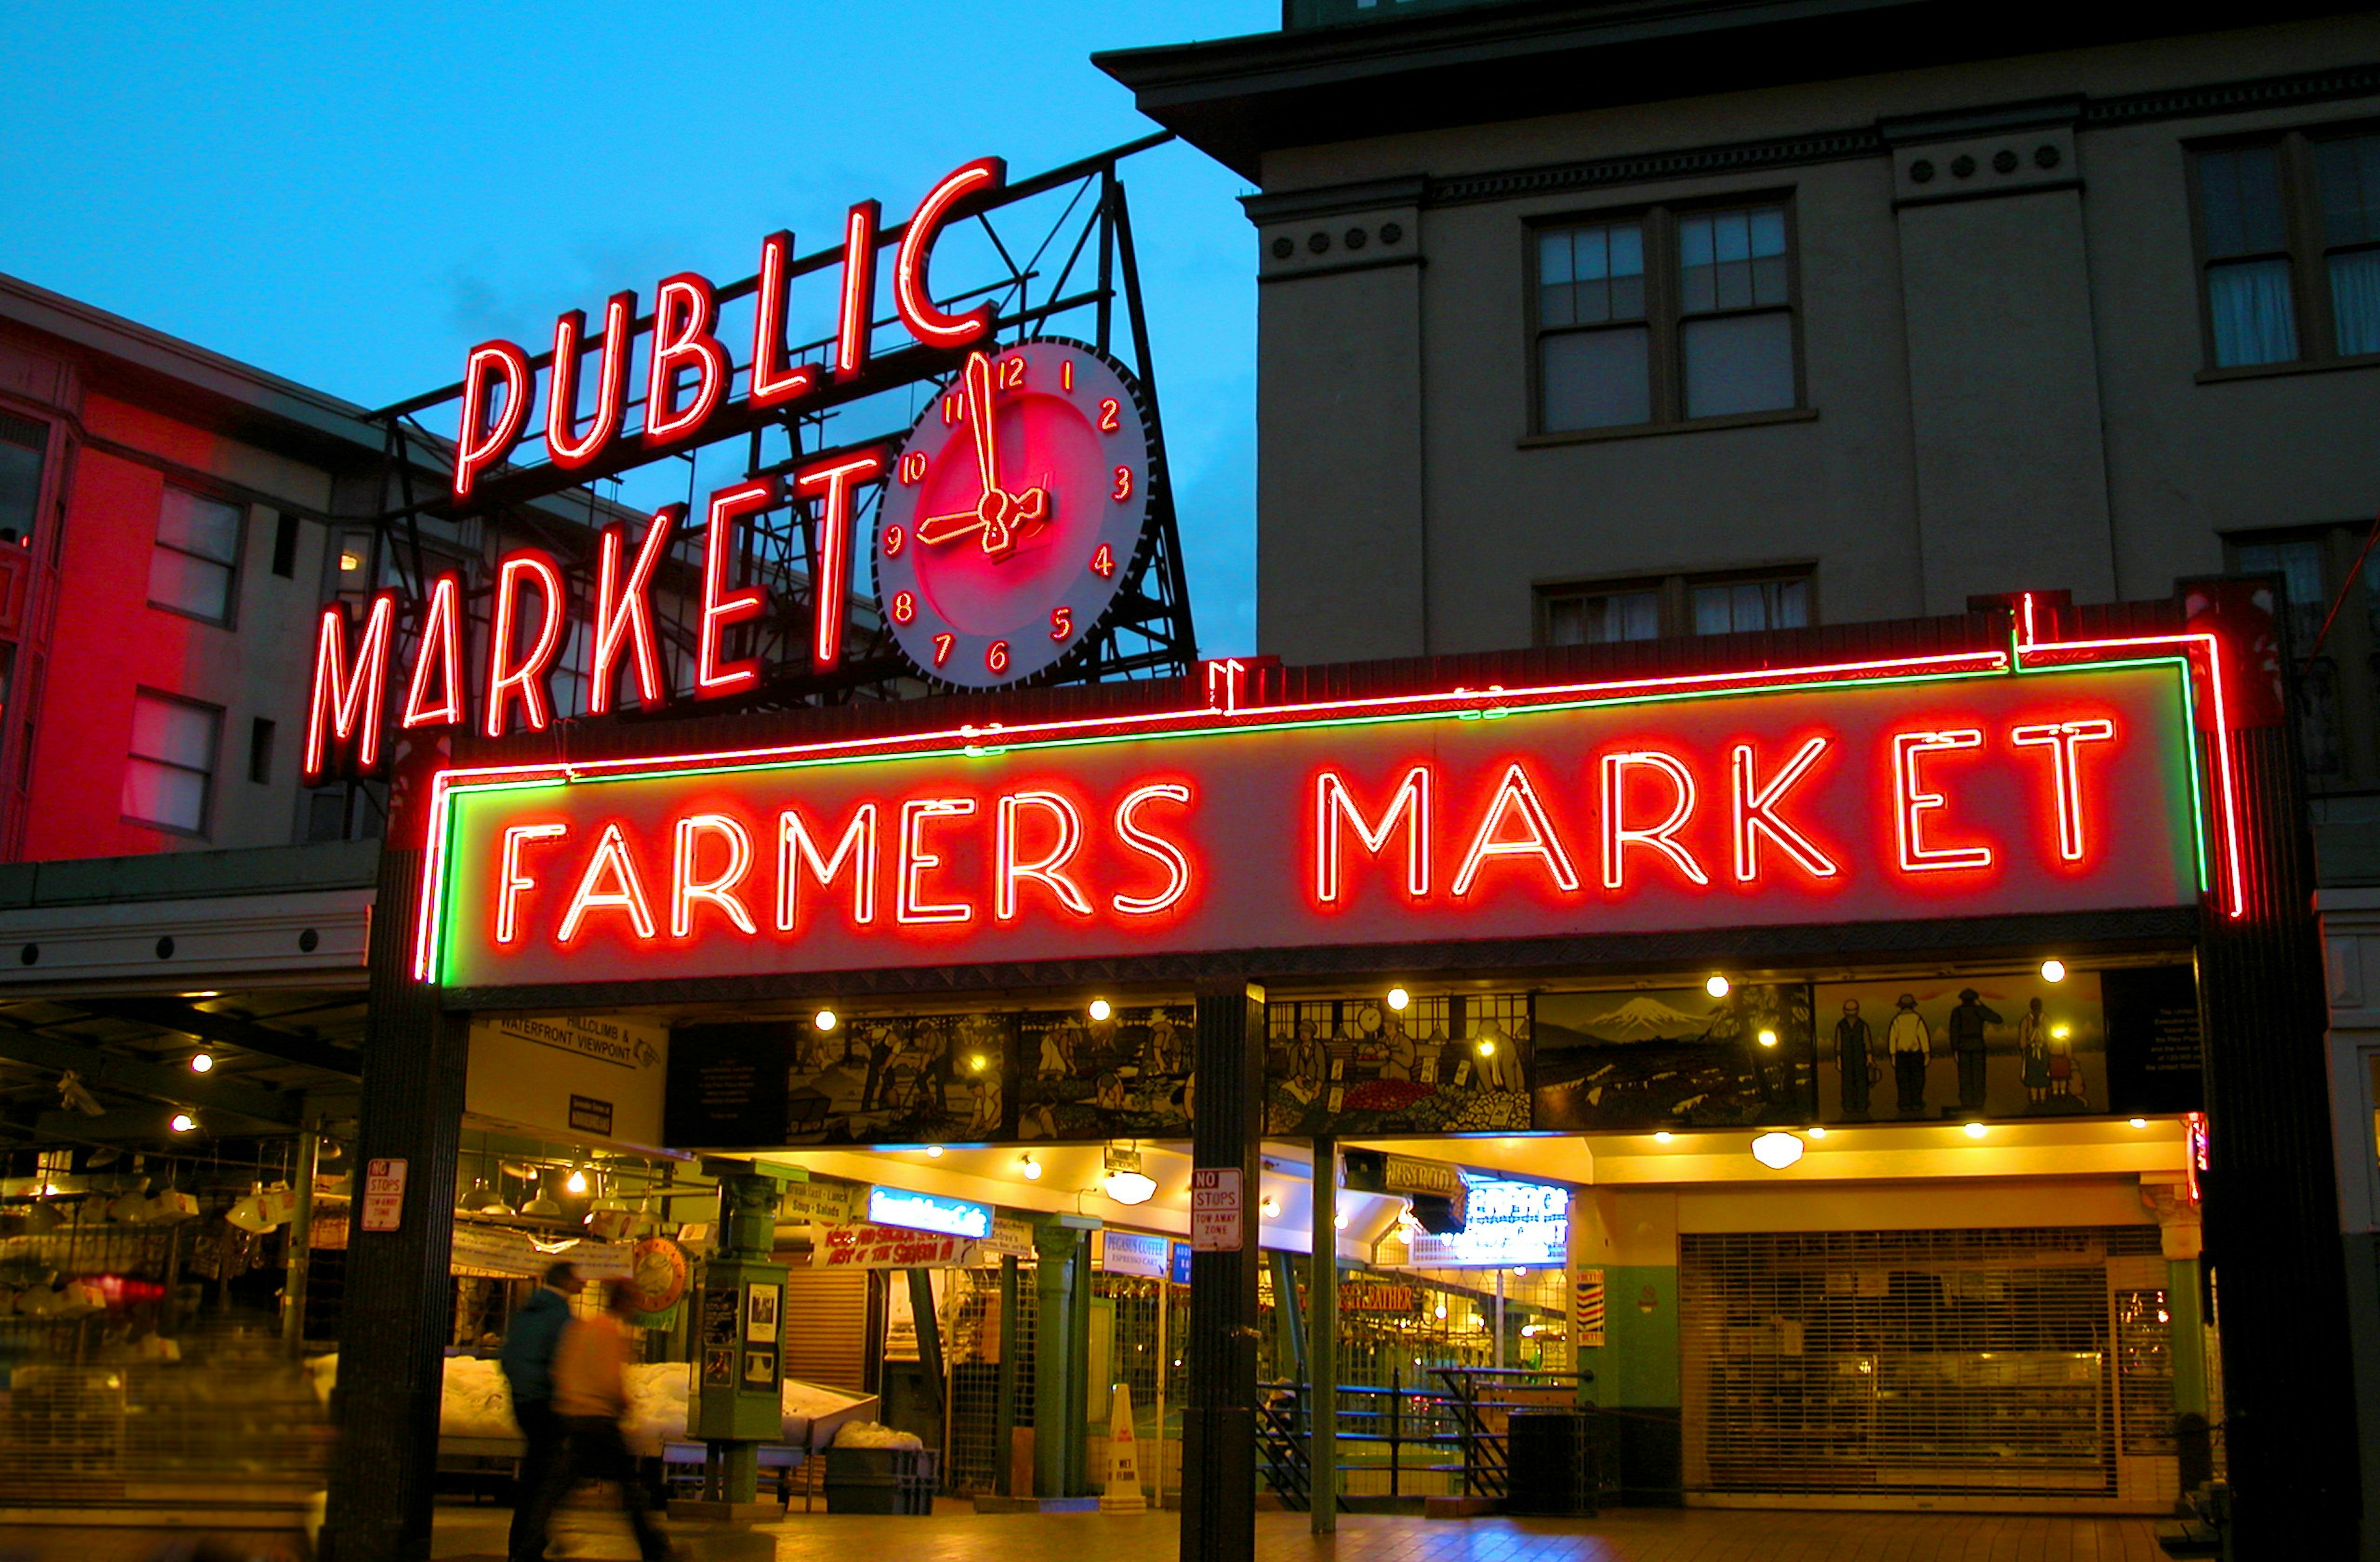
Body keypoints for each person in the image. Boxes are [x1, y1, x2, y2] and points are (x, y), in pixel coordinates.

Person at [550, 1282, 674, 1562]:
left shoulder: (582, 1328)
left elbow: (564, 1368)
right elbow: (609, 1379)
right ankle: (654, 1550)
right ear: (623, 1302)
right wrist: (623, 1403)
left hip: (574, 1416)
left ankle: (540, 1537)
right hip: (600, 1420)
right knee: (630, 1489)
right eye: (633, 1300)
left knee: (562, 1485)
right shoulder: (609, 1331)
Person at [499, 1260, 583, 1562]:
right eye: (577, 1280)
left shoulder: (526, 1311)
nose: (583, 1285)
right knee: (547, 1479)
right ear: (564, 1282)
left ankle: (526, 1543)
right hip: (548, 1405)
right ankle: (529, 1545)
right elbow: (566, 1362)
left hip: (522, 1403)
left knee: (537, 1476)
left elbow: (508, 1357)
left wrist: (523, 1390)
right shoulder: (560, 1315)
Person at [1945, 989, 2003, 1113]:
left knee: (1965, 1076)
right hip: (1978, 1045)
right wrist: (1982, 1006)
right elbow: (1998, 1019)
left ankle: (1966, 1102)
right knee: (1979, 1076)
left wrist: (1954, 1049)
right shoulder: (1979, 1011)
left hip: (1962, 1047)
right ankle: (1979, 1102)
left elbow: (1954, 1031)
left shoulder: (1957, 1012)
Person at [1887, 994, 1931, 1116]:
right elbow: (1923, 1037)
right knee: (1918, 1081)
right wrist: (1926, 1054)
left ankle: (1904, 1104)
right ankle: (1916, 1103)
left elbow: (1893, 1039)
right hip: (1916, 1055)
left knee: (1903, 1081)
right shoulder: (1917, 1019)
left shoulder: (1897, 1020)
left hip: (1901, 1056)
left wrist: (1893, 1055)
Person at [1834, 1000, 1874, 1116]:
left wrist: (1869, 1058)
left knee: (1862, 1082)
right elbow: (1838, 1044)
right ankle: (1849, 1105)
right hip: (1846, 1058)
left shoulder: (1862, 1025)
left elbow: (1867, 1042)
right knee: (1847, 1083)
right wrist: (1839, 1060)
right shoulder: (1841, 1026)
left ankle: (1862, 1104)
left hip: (1860, 1058)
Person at [2019, 998, 2052, 1106]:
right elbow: (2050, 1035)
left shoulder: (2026, 1020)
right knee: (2043, 1074)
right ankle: (2042, 1099)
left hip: (2031, 1051)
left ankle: (2034, 1100)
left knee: (2033, 1076)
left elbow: (2023, 1038)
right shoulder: (2046, 1019)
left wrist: (2023, 1049)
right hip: (2043, 1050)